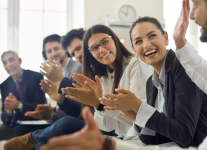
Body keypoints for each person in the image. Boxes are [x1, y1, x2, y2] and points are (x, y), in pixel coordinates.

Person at [39, 0, 207, 150]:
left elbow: (183, 135)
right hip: (164, 143)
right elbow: (152, 135)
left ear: (165, 37)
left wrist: (135, 109)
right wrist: (130, 113)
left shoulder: (180, 69)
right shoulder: (152, 82)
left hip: (197, 145)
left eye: (152, 36)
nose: (146, 45)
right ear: (133, 47)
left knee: (66, 126)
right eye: (138, 41)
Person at [4, 25, 153, 150]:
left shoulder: (132, 65)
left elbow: (136, 120)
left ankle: (32, 137)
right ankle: (33, 139)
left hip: (130, 135)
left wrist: (97, 103)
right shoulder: (104, 74)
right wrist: (57, 104)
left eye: (79, 48)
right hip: (115, 131)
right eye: (94, 47)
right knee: (39, 140)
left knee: (65, 123)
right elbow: (103, 121)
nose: (78, 55)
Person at [0, 51, 47, 141]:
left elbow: (41, 106)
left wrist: (19, 105)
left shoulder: (36, 77)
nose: (9, 65)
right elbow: (4, 118)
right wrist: (8, 112)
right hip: (16, 124)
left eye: (11, 60)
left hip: (37, 122)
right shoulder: (4, 85)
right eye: (5, 63)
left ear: (19, 60)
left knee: (19, 130)